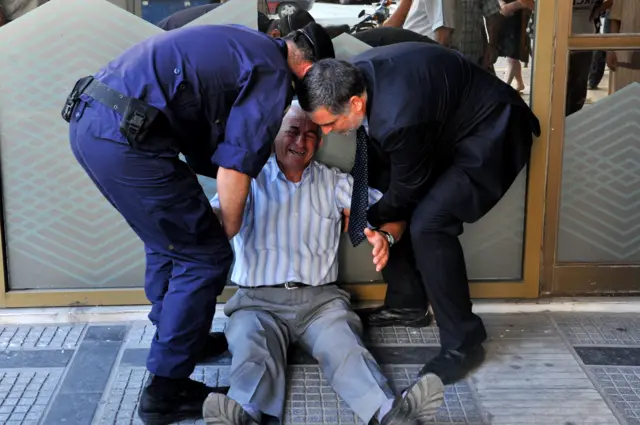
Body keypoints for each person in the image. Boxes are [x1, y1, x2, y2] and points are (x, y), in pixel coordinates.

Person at [63, 23, 335, 424]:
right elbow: (233, 167)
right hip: (123, 139)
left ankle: (176, 335)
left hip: (96, 124)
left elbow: (203, 133)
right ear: (310, 68)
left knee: (166, 240)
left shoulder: (246, 44)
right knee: (204, 256)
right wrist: (225, 228)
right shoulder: (274, 73)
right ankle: (165, 393)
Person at [297, 43, 540, 385]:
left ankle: (464, 344)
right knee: (381, 193)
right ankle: (408, 302)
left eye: (329, 123)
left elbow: (407, 191)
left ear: (355, 103)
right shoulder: (355, 77)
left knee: (430, 224)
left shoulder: (398, 118)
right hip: (443, 126)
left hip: (492, 133)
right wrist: (372, 211)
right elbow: (387, 176)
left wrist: (365, 217)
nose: (325, 133)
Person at [202, 103, 445, 425]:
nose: (301, 142)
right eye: (292, 131)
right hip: (257, 303)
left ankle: (392, 415)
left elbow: (392, 212)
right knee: (251, 350)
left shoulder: (334, 182)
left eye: (312, 135)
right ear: (274, 134)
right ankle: (243, 416)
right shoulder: (247, 180)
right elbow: (211, 222)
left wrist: (384, 237)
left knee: (346, 348)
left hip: (321, 301)